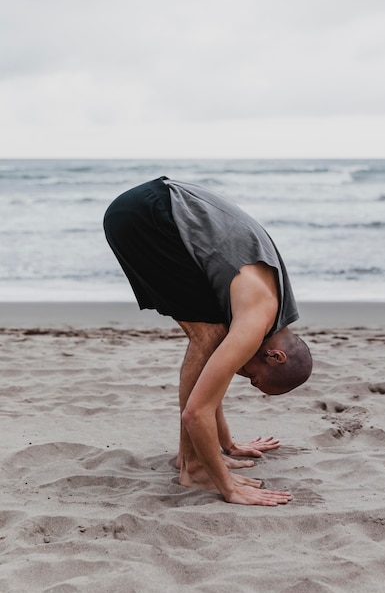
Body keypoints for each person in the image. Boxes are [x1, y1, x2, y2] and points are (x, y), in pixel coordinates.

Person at [103, 176, 312, 506]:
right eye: (257, 380)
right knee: (209, 337)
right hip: (149, 215)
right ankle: (195, 467)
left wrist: (227, 443)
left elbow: (213, 380)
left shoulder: (273, 307)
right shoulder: (256, 319)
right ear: (275, 357)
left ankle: (195, 458)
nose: (247, 380)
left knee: (212, 341)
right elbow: (196, 412)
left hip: (152, 206)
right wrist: (227, 488)